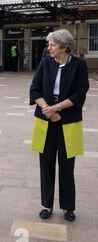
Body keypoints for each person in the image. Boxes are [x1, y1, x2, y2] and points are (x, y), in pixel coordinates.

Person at [29, 29, 89, 222]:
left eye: (52, 45)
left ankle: (68, 207)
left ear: (64, 47)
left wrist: (57, 108)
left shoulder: (79, 65)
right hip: (45, 120)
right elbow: (34, 89)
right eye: (49, 44)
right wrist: (48, 109)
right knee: (45, 165)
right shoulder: (45, 63)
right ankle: (46, 205)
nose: (49, 48)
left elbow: (80, 93)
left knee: (66, 165)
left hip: (68, 121)